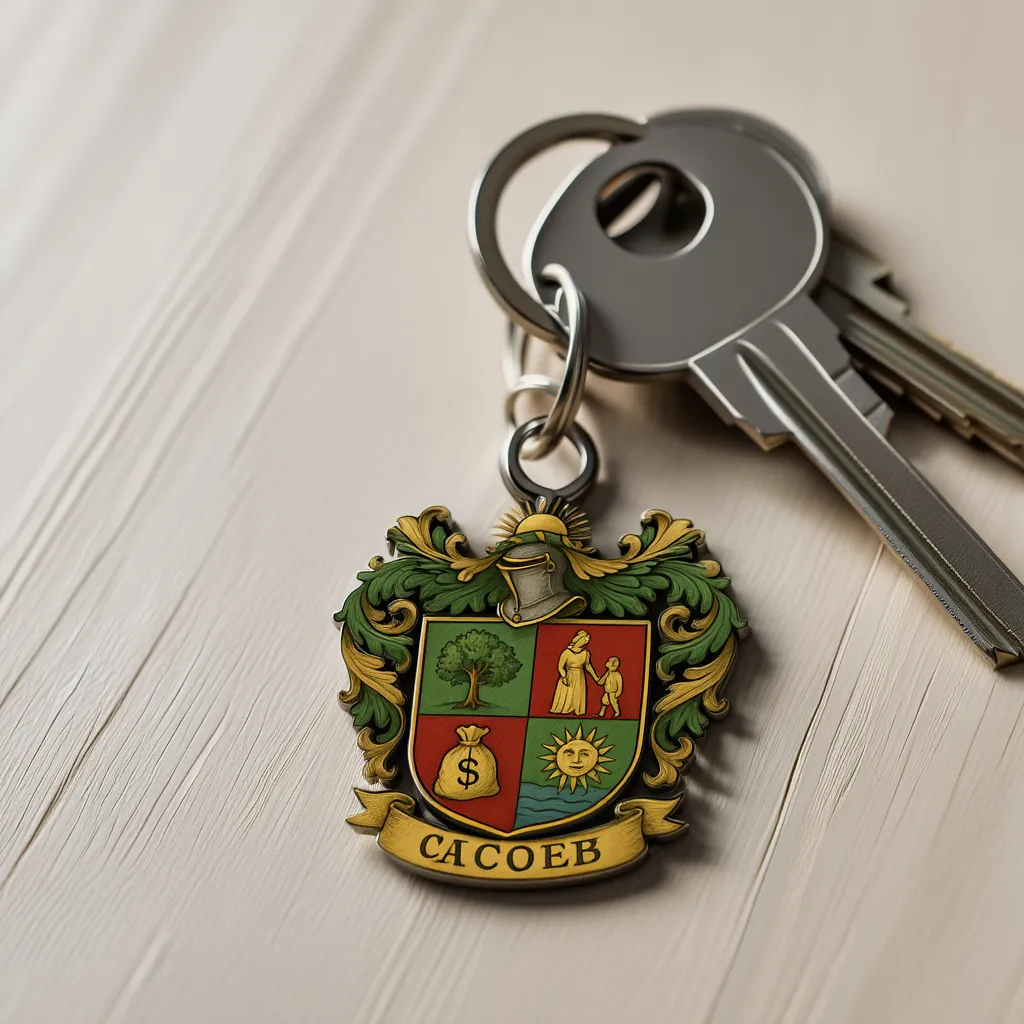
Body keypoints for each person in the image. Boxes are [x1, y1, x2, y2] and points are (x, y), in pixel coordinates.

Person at [550, 630, 600, 715]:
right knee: (567, 694)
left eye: (587, 640)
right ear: (579, 639)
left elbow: (587, 665)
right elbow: (560, 667)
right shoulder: (566, 652)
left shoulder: (585, 653)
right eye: (585, 639)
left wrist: (596, 678)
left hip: (580, 676)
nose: (586, 642)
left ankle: (577, 710)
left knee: (578, 694)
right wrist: (564, 677)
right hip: (568, 676)